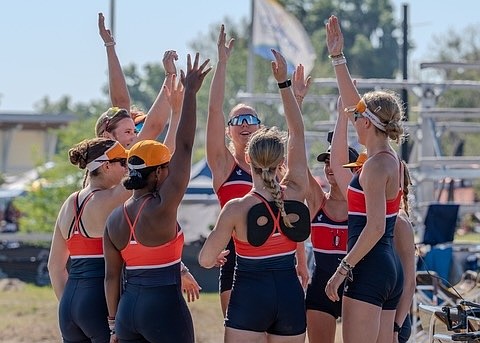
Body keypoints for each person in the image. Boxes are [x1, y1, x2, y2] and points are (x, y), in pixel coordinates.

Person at [199, 49, 310, 342]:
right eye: (238, 121)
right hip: (286, 288)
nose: (244, 124)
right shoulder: (296, 189)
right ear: (280, 157)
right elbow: (297, 132)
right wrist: (283, 85)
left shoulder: (236, 209)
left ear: (250, 156)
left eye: (250, 119)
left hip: (248, 284)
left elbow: (205, 259)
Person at [103, 53, 211, 343]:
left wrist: (114, 325)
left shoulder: (115, 218)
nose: (169, 169)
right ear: (158, 171)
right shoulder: (162, 207)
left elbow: (111, 277)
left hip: (127, 313)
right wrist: (190, 92)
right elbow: (186, 145)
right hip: (164, 309)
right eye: (166, 165)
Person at [324, 15, 407, 343]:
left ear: (368, 124)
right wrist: (337, 58)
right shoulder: (387, 159)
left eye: (358, 117)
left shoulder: (374, 167)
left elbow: (373, 227)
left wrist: (342, 269)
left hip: (370, 266)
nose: (353, 118)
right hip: (387, 268)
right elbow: (352, 103)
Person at [48, 137, 130, 343]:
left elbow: (54, 267)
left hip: (68, 305)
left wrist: (71, 305)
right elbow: (150, 160)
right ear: (107, 165)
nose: (127, 169)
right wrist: (174, 115)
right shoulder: (108, 199)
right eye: (123, 163)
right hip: (98, 300)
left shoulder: (69, 203)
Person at [304, 131, 359, 343]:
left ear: (354, 169)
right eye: (326, 163)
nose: (329, 167)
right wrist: (296, 103)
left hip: (357, 288)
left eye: (335, 162)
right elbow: (297, 163)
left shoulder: (361, 207)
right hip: (320, 289)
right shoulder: (318, 201)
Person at [97, 13, 181, 150]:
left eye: (136, 130)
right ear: (107, 136)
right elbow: (121, 102)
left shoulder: (133, 156)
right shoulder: (109, 160)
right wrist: (109, 46)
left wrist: (170, 75)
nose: (136, 135)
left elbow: (155, 125)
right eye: (128, 131)